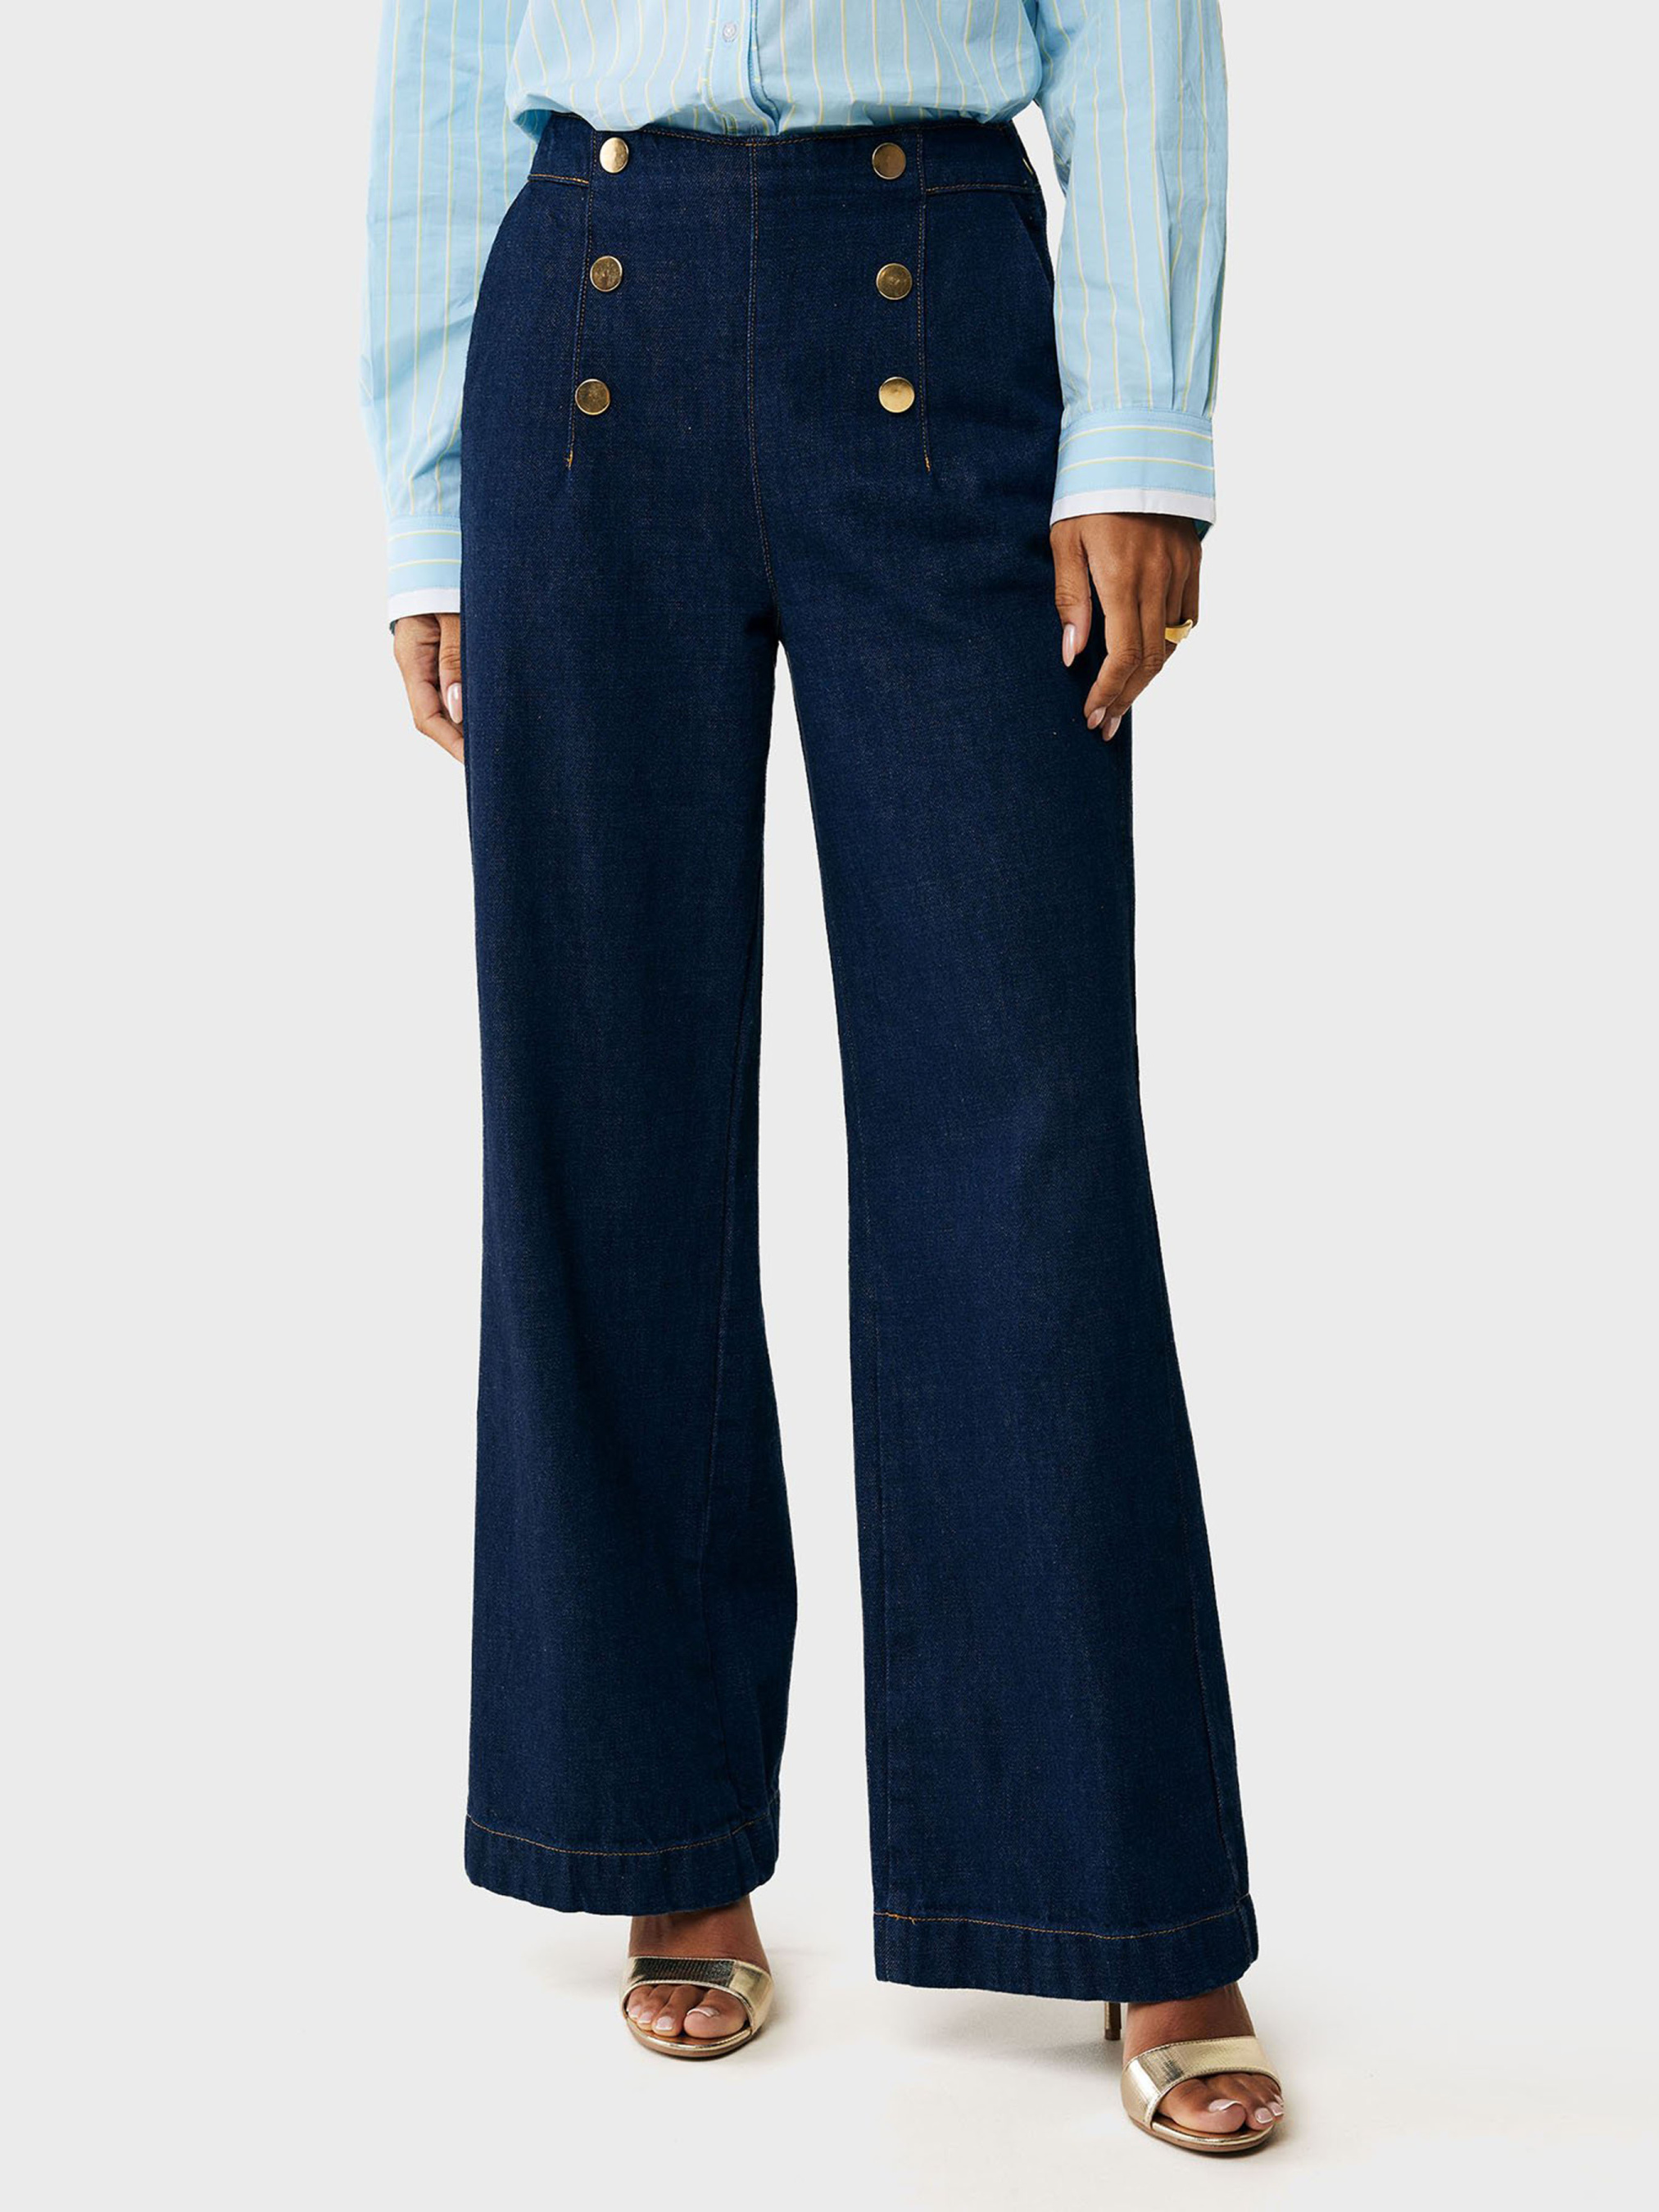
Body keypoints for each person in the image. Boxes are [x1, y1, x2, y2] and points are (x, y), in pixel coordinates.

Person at [362, 1, 1284, 2155]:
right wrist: (427, 505)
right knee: (603, 1112)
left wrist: (1140, 435)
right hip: (585, 322)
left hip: (935, 301)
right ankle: (659, 1827)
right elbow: (441, 65)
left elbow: (1137, 32)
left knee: (1021, 1131)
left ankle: (1122, 1884)